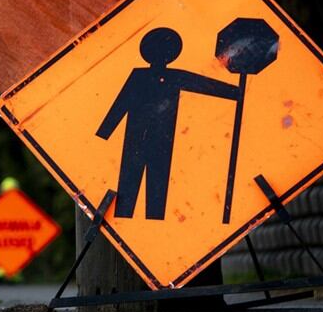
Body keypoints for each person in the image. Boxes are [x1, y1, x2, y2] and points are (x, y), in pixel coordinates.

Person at [96, 27, 240, 220]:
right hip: (137, 138)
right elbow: (121, 104)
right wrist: (104, 133)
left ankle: (153, 222)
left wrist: (236, 93)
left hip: (161, 139)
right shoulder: (140, 76)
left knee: (157, 186)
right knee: (129, 187)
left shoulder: (172, 76)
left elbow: (202, 84)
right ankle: (126, 218)